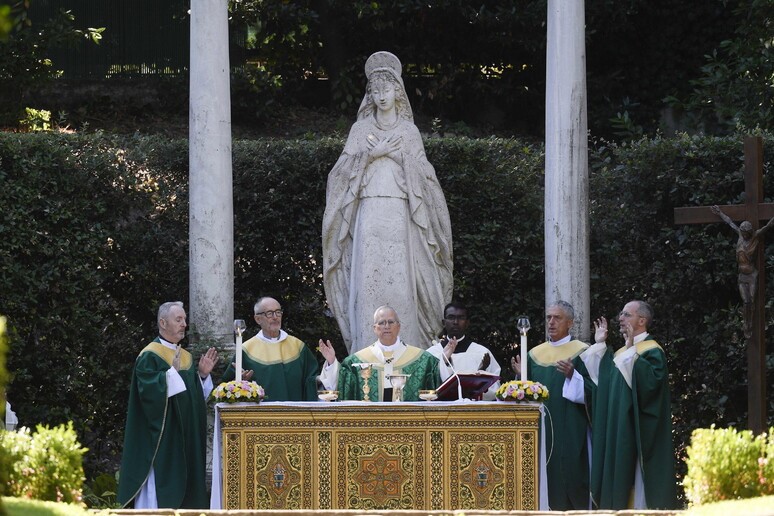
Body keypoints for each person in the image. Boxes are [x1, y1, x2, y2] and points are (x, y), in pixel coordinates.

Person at [322, 51, 453, 354]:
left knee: (402, 281)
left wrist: (396, 155)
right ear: (370, 95)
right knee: (368, 280)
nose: (381, 96)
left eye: (387, 89)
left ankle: (410, 351)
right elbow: (339, 174)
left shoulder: (408, 131)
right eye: (375, 90)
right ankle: (365, 350)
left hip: (400, 212)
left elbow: (426, 176)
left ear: (397, 92)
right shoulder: (360, 130)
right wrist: (372, 154)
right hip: (368, 212)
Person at [118, 301, 218, 509]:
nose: (184, 324)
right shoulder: (150, 355)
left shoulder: (186, 357)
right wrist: (170, 374)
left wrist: (202, 375)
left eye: (184, 319)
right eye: (178, 319)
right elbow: (147, 395)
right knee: (159, 493)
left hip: (186, 437)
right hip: (163, 439)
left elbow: (193, 397)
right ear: (163, 323)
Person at [580, 300, 677, 510]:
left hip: (636, 428)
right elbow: (603, 384)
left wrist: (632, 351)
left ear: (641, 321)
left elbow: (651, 388)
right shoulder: (622, 352)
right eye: (621, 314)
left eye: (626, 314)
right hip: (618, 428)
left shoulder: (652, 350)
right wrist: (600, 347)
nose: (620, 318)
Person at [510, 301, 595, 510]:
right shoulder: (534, 354)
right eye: (548, 317)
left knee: (570, 473)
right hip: (540, 429)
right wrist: (521, 377)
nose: (551, 322)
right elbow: (526, 395)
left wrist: (572, 375)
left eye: (557, 318)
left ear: (570, 323)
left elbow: (594, 392)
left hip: (571, 428)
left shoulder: (583, 352)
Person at [222, 296, 320, 401]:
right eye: (269, 313)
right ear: (258, 319)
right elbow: (228, 389)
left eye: (278, 312)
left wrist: (329, 368)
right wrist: (240, 381)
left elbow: (312, 381)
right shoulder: (246, 350)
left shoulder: (297, 346)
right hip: (260, 411)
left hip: (294, 411)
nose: (275, 317)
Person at [335, 306, 440, 401]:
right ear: (374, 328)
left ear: (398, 326)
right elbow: (342, 386)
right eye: (381, 323)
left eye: (391, 322)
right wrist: (332, 363)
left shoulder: (423, 360)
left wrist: (445, 360)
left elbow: (440, 384)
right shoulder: (355, 362)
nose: (387, 326)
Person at [710, 205, 774, 338]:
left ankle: (752, 323)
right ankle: (746, 324)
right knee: (746, 301)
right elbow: (730, 222)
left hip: (752, 275)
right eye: (743, 232)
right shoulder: (739, 235)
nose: (744, 235)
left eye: (746, 233)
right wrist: (720, 213)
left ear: (750, 232)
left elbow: (767, 226)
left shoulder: (755, 237)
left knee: (752, 299)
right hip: (742, 276)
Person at [426, 301, 501, 400]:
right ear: (444, 322)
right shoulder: (431, 354)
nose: (455, 322)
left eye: (461, 318)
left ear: (467, 323)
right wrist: (443, 361)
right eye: (451, 317)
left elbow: (496, 389)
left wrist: (480, 378)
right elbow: (426, 386)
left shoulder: (482, 353)